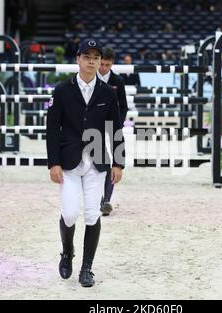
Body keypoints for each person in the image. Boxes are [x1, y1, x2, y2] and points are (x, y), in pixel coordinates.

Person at [46, 39, 125, 287]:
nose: (92, 61)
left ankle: (87, 268)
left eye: (96, 57)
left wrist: (118, 163)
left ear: (100, 61)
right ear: (78, 59)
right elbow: (52, 129)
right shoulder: (62, 90)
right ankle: (67, 252)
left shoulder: (108, 93)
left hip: (97, 162)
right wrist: (53, 163)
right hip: (68, 162)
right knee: (69, 214)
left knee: (92, 214)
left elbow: (116, 129)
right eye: (87, 56)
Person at [97, 47, 128, 216]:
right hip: (93, 127)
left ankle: (106, 199)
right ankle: (98, 198)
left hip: (112, 125)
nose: (103, 68)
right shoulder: (90, 77)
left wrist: (118, 124)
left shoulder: (118, 81)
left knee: (116, 160)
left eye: (107, 65)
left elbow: (123, 106)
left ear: (112, 63)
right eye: (101, 64)